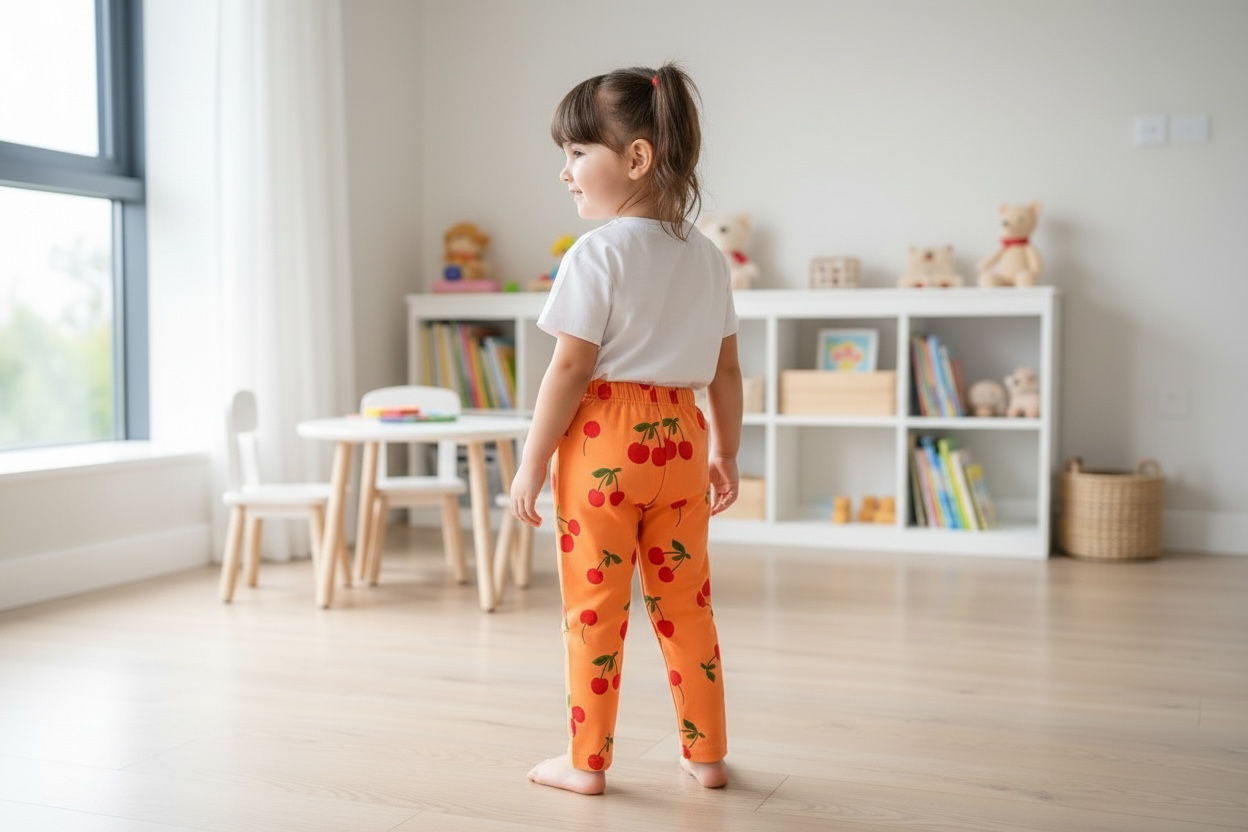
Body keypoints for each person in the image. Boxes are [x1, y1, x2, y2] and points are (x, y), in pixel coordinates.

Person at [510, 62, 743, 796]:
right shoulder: (708, 257)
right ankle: (707, 755)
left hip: (604, 441)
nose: (565, 172)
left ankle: (586, 763)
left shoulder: (597, 253)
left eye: (578, 152)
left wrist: (531, 462)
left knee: (595, 608)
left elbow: (570, 368)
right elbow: (726, 370)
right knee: (686, 604)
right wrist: (727, 452)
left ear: (637, 158)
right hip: (683, 439)